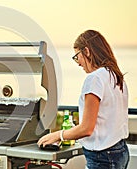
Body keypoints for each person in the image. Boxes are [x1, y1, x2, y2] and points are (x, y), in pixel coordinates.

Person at [37, 30, 130, 169]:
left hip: (103, 157)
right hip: (120, 151)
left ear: (86, 51)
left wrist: (58, 135)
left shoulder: (94, 79)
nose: (78, 63)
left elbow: (87, 129)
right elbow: (103, 120)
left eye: (77, 56)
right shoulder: (115, 76)